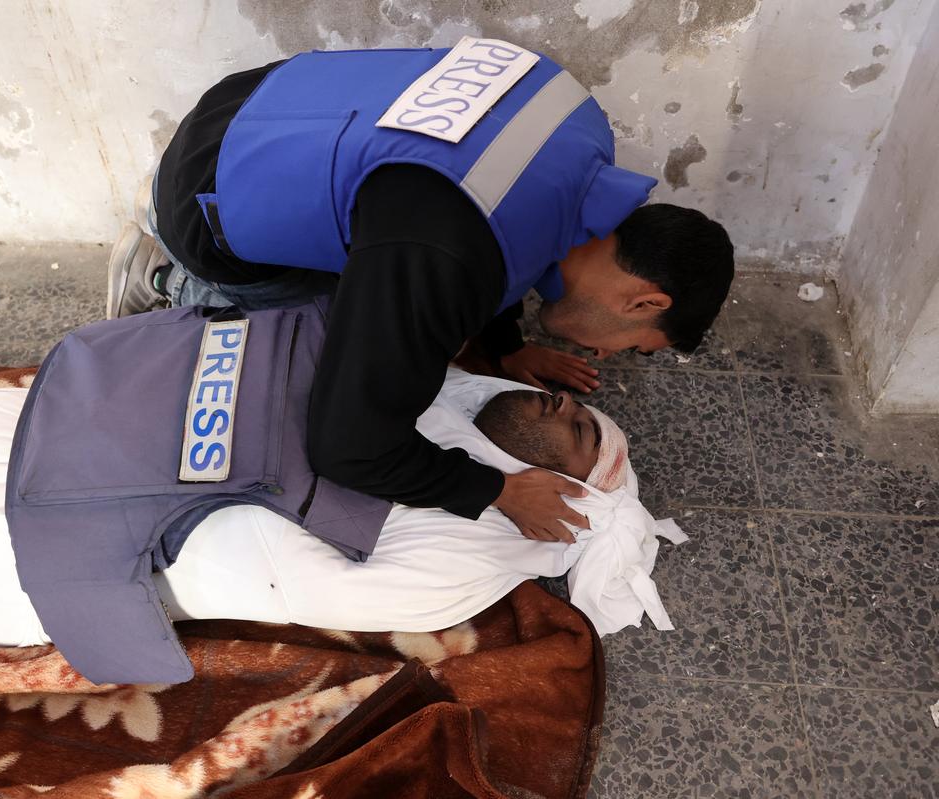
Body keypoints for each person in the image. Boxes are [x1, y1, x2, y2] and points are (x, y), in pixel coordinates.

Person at [108, 38, 735, 546]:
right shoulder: (451, 257)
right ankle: (170, 272)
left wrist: (505, 346)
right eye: (634, 347)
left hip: (255, 102)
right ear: (647, 303)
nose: (606, 357)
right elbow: (348, 447)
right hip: (206, 195)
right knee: (313, 343)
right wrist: (498, 491)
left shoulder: (581, 124)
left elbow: (498, 218)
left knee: (394, 266)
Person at [0, 372, 639, 650]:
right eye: (566, 399)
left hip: (92, 533)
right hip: (64, 435)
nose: (564, 404)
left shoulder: (474, 554)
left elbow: (293, 582)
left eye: (578, 430)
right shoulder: (436, 398)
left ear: (570, 496)